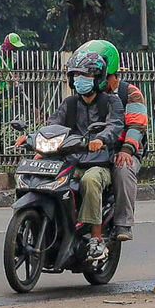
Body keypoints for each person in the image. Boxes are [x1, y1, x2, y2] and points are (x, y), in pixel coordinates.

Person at [14, 50, 123, 260]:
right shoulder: (69, 104)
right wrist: (32, 138)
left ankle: (96, 239)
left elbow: (114, 126)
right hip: (68, 161)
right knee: (38, 178)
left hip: (97, 164)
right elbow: (52, 125)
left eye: (86, 76)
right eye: (76, 76)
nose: (80, 80)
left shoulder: (110, 102)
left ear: (98, 78)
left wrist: (101, 139)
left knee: (90, 181)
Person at [77, 39, 147, 242]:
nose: (89, 78)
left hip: (123, 149)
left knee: (123, 168)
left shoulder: (130, 93)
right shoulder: (91, 94)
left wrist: (126, 149)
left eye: (93, 73)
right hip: (92, 150)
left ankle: (123, 222)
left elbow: (137, 125)